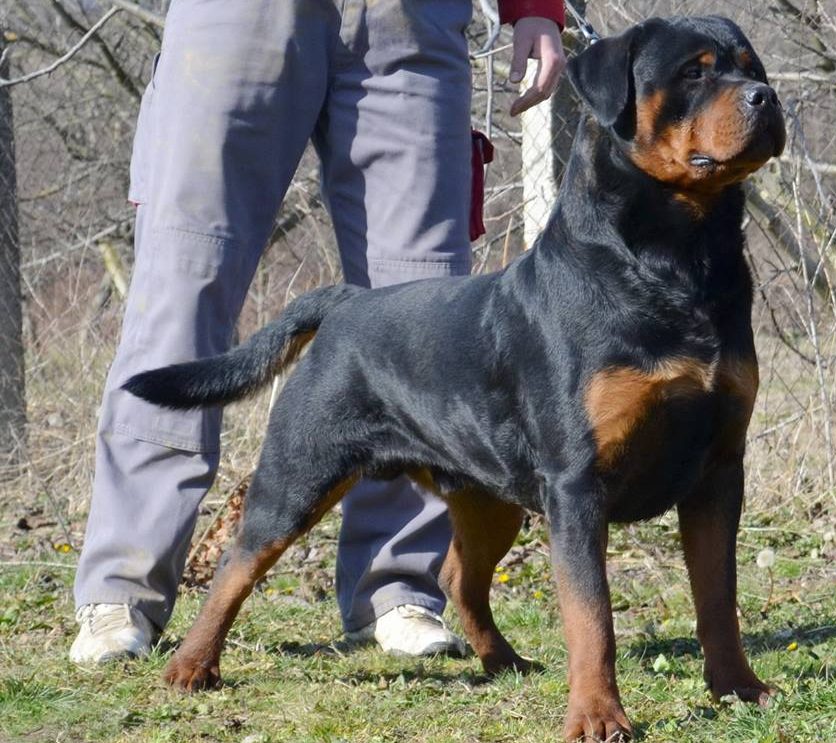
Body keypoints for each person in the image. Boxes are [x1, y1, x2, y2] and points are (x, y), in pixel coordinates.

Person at [69, 0, 566, 664]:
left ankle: (398, 591)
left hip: (410, 21)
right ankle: (122, 591)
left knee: (418, 312)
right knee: (182, 292)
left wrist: (534, 7)